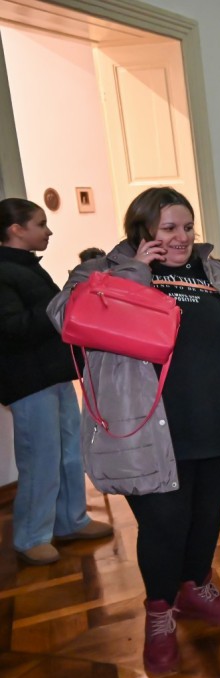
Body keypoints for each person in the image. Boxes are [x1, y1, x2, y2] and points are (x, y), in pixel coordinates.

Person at [46, 186, 220, 674]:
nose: (182, 237)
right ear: (142, 230)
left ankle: (194, 589)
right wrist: (136, 272)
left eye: (188, 227)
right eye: (169, 228)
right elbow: (66, 317)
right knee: (163, 526)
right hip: (148, 432)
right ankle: (160, 612)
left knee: (206, 518)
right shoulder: (102, 272)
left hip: (218, 424)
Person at [0, 198, 112, 566]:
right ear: (16, 229)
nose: (48, 231)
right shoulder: (4, 271)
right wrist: (61, 303)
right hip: (29, 380)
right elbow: (11, 329)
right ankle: (31, 536)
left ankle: (70, 520)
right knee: (41, 458)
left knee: (69, 452)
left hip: (54, 374)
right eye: (40, 224)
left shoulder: (27, 267)